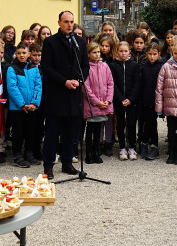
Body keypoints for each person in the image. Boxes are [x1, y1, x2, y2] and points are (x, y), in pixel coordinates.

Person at [40, 11, 89, 178]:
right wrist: (64, 81)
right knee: (52, 133)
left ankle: (67, 163)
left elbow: (85, 66)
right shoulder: (50, 42)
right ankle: (48, 166)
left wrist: (79, 81)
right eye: (66, 22)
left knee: (70, 132)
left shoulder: (80, 42)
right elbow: (46, 68)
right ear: (59, 22)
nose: (69, 25)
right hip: (57, 94)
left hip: (74, 94)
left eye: (72, 22)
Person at [7, 43, 42, 168]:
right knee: (18, 132)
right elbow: (12, 88)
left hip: (32, 107)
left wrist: (34, 103)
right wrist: (22, 104)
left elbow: (38, 87)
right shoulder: (12, 68)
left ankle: (29, 153)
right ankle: (17, 155)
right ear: (16, 54)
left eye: (24, 53)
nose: (22, 55)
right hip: (18, 108)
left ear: (29, 54)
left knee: (30, 131)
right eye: (19, 53)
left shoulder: (34, 68)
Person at [82, 42, 113, 165]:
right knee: (90, 130)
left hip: (104, 103)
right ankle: (89, 153)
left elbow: (110, 83)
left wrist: (108, 100)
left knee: (99, 129)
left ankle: (96, 152)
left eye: (98, 52)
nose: (97, 54)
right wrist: (97, 102)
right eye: (94, 52)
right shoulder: (86, 67)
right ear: (88, 54)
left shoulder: (105, 66)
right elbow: (85, 87)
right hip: (92, 105)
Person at [109, 41, 140, 161]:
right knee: (120, 124)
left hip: (132, 101)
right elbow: (113, 84)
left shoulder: (134, 65)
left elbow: (137, 83)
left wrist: (131, 99)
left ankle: (132, 147)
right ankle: (122, 147)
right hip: (119, 100)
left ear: (129, 52)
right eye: (121, 51)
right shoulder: (113, 65)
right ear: (117, 52)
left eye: (125, 51)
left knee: (131, 124)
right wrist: (120, 98)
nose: (123, 53)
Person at [137, 42, 165, 160]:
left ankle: (151, 145)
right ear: (146, 54)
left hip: (156, 100)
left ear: (158, 54)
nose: (152, 57)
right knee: (144, 122)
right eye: (150, 54)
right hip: (144, 99)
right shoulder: (143, 66)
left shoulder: (162, 66)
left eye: (154, 54)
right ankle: (145, 144)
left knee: (151, 123)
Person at [28, 43, 45, 163]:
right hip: (31, 102)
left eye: (39, 55)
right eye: (34, 55)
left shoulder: (43, 68)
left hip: (42, 102)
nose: (37, 58)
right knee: (31, 128)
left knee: (40, 128)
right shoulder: (27, 68)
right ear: (30, 55)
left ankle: (38, 150)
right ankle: (30, 151)